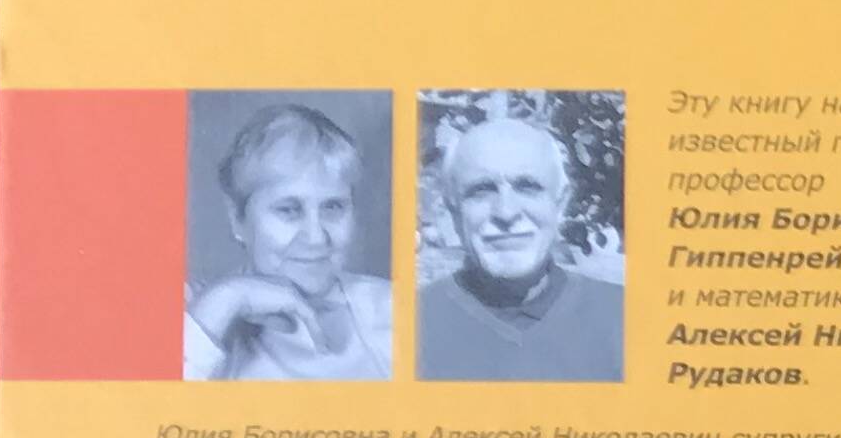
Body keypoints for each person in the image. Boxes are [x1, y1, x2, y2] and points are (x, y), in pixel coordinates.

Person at [183, 103, 391, 380]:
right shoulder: (197, 318)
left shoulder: (395, 309)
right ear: (237, 219)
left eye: (333, 207)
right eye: (289, 210)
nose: (316, 238)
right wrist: (228, 300)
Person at [416, 106, 625, 380]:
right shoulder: (409, 324)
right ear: (454, 210)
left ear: (560, 204)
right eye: (481, 190)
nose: (506, 213)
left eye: (528, 187)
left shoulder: (624, 318)